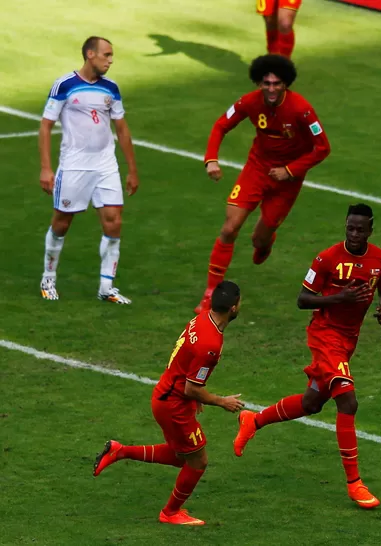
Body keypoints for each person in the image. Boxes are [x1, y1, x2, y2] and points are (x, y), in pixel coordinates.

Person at [232, 204, 381, 510]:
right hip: (324, 335)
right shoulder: (327, 258)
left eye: (361, 229)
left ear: (371, 230)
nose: (355, 234)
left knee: (312, 403)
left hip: (348, 341)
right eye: (350, 228)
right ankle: (354, 483)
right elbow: (302, 300)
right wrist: (339, 298)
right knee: (348, 400)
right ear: (345, 226)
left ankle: (254, 420)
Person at [93, 281, 246, 526]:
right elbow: (192, 387)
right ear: (234, 308)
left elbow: (187, 365)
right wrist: (221, 401)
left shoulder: (203, 318)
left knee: (181, 457)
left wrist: (194, 398)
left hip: (170, 394)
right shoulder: (211, 345)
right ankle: (171, 512)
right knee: (198, 461)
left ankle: (120, 451)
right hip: (173, 404)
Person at [198, 54, 331, 312]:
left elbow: (323, 148)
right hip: (256, 170)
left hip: (287, 181)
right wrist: (211, 160)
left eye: (276, 84)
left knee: (260, 239)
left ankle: (265, 242)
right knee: (229, 227)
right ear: (259, 82)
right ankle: (210, 293)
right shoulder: (249, 102)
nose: (271, 89)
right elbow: (220, 125)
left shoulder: (302, 109)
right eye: (266, 83)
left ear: (286, 84)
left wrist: (290, 171)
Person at [39, 36, 139, 304]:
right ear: (90, 54)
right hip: (74, 166)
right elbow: (46, 125)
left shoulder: (112, 89)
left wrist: (132, 169)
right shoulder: (64, 85)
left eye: (111, 55)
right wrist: (46, 168)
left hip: (105, 165)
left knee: (114, 221)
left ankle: (106, 287)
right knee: (62, 222)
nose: (110, 60)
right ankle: (48, 277)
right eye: (106, 55)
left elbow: (122, 128)